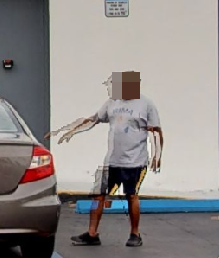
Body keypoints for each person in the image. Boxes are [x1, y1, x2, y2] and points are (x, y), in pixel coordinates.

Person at [56, 71, 163, 248]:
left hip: (135, 161)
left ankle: (135, 234)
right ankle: (92, 234)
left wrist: (157, 155)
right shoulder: (112, 103)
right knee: (98, 195)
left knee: (131, 196)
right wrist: (70, 131)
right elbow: (93, 119)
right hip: (112, 160)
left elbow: (156, 131)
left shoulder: (146, 104)